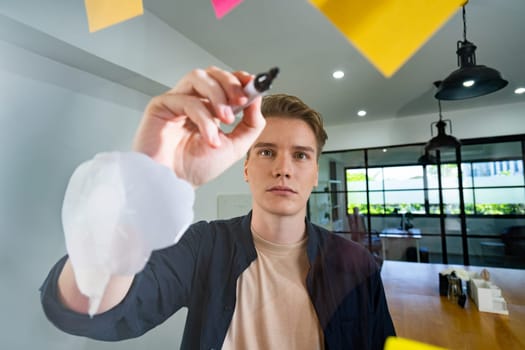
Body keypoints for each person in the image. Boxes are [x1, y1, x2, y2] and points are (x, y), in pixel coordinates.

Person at [40, 66, 395, 349]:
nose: (283, 168)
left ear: (315, 172)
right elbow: (87, 311)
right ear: (245, 167)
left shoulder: (357, 263)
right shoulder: (204, 247)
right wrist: (143, 188)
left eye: (300, 155)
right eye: (267, 152)